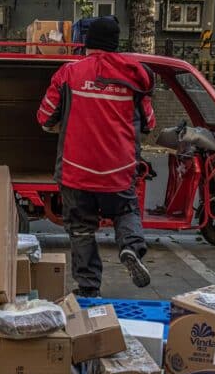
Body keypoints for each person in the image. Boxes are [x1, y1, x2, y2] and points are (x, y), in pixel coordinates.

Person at [37, 16, 154, 297]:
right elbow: (149, 123)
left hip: (76, 171)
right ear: (115, 45)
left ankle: (89, 288)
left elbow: (43, 116)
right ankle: (130, 246)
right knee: (125, 211)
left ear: (87, 44)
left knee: (80, 229)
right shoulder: (135, 76)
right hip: (119, 169)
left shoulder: (68, 74)